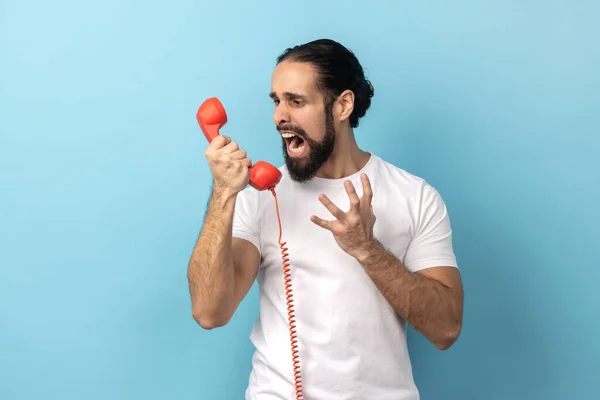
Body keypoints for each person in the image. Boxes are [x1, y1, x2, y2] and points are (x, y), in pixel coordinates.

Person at [187, 38, 464, 400]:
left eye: (296, 101)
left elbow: (445, 329)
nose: (278, 117)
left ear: (342, 105)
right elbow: (209, 312)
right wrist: (224, 192)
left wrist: (368, 250)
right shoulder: (259, 196)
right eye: (276, 101)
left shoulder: (415, 196)